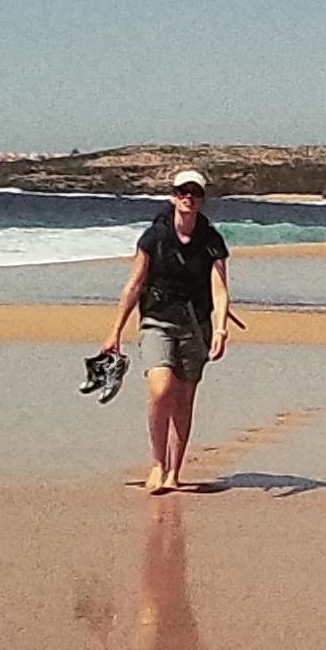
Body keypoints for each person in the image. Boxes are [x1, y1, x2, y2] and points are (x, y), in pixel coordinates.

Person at [103, 167, 232, 493]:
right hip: (156, 321)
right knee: (161, 390)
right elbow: (135, 285)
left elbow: (219, 290)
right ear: (173, 197)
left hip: (196, 326)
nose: (188, 197)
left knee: (184, 402)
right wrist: (115, 331)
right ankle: (158, 464)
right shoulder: (154, 237)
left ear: (202, 200)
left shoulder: (211, 241)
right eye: (182, 192)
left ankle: (174, 471)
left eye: (195, 193)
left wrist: (220, 330)